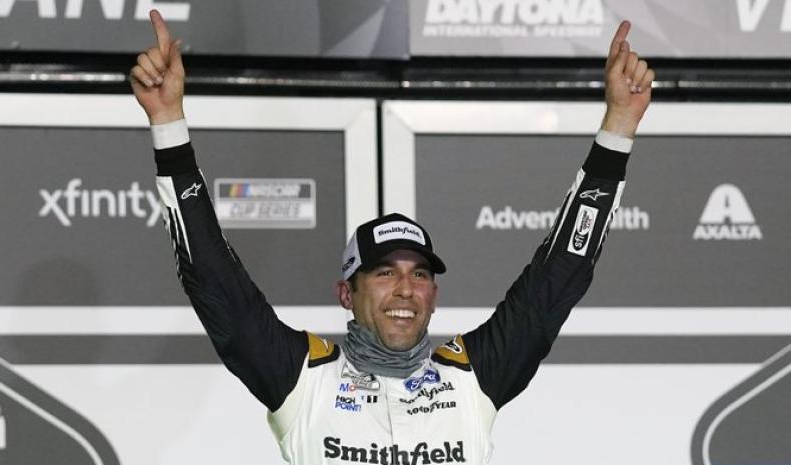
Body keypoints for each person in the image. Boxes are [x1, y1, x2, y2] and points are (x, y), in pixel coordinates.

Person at [131, 11, 652, 465]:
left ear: (434, 295)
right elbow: (214, 280)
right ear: (346, 295)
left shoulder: (472, 379)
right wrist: (168, 126)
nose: (405, 288)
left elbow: (559, 277)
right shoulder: (304, 380)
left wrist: (619, 127)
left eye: (419, 273)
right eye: (384, 272)